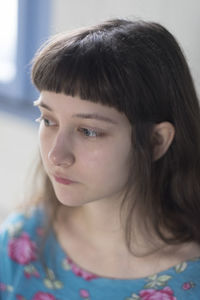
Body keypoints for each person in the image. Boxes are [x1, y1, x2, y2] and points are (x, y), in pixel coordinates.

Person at [1, 18, 200, 300]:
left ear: (156, 142)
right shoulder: (22, 239)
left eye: (89, 131)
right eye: (48, 120)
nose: (56, 155)